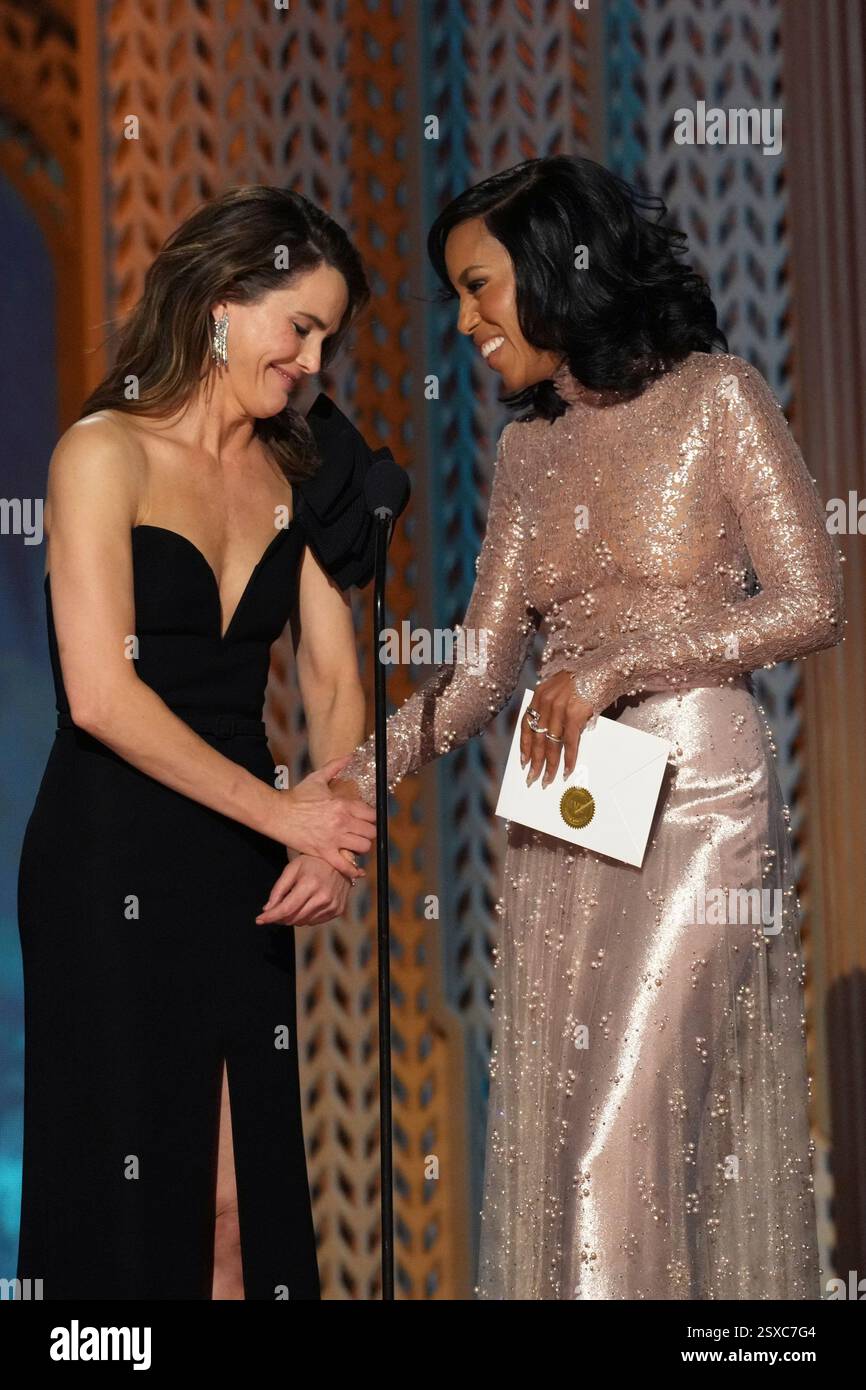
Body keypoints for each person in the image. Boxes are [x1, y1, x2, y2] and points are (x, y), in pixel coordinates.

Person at [269, 155, 845, 1298]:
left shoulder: (715, 395)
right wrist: (351, 775)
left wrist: (611, 665)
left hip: (698, 797)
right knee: (584, 1143)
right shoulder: (526, 451)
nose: (469, 322)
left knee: (610, 1155)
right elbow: (480, 671)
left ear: (555, 268)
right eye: (459, 298)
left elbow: (811, 600)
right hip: (567, 818)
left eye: (480, 287)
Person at [16, 185, 380, 1300]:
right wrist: (287, 814)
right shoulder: (102, 453)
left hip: (238, 866)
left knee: (235, 1205)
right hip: (108, 854)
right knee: (132, 1204)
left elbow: (329, 675)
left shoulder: (301, 470)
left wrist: (330, 838)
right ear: (225, 303)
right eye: (298, 327)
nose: (312, 360)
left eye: (327, 337)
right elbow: (98, 696)